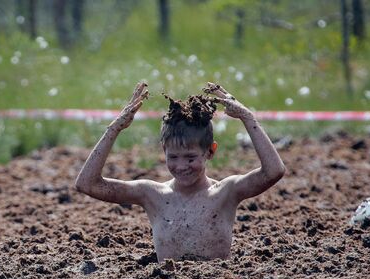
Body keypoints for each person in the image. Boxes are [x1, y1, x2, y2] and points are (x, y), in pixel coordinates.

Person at [74, 81, 286, 261]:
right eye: (173, 157)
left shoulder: (226, 192)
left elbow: (273, 171)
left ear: (210, 152)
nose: (181, 166)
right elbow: (87, 184)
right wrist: (114, 128)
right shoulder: (151, 194)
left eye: (191, 158)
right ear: (164, 151)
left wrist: (248, 118)